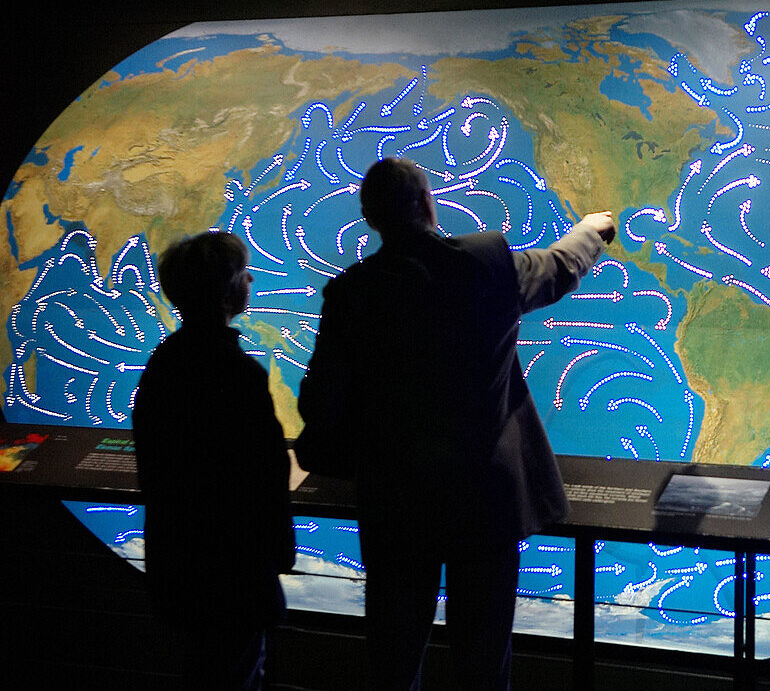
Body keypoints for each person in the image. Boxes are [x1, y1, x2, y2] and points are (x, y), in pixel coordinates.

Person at [295, 157, 615, 690]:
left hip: (395, 506)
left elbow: (320, 404)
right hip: (483, 503)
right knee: (483, 660)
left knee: (394, 662)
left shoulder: (351, 293)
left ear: (370, 218)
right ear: (427, 204)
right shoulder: (485, 263)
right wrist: (589, 232)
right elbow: (557, 268)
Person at [132, 231, 295, 690]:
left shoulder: (163, 364)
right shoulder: (237, 371)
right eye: (244, 273)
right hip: (234, 570)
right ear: (228, 290)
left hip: (181, 559)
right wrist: (279, 549)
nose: (251, 279)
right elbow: (264, 470)